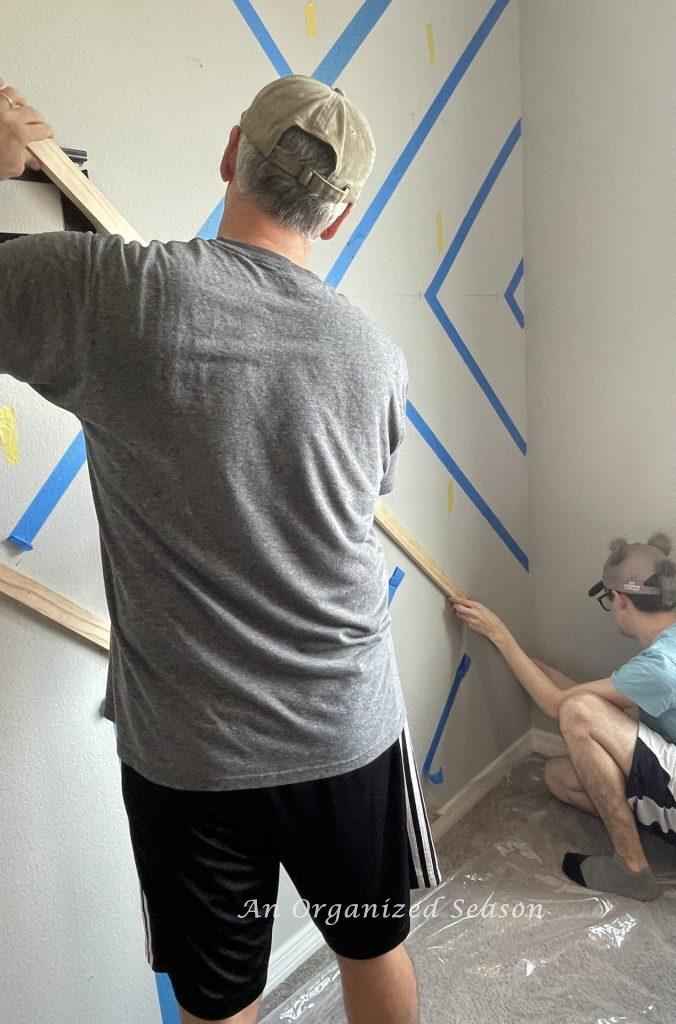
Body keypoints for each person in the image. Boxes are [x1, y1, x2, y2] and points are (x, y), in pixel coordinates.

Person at [0, 75, 441, 1024]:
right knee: (373, 945)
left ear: (232, 154)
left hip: (192, 758)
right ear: (339, 218)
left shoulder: (121, 295)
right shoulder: (374, 355)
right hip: (346, 729)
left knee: (217, 1000)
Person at [452, 533, 676, 902]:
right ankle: (675, 831)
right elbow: (600, 701)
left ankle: (631, 867)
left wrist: (499, 635)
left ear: (617, 598)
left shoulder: (664, 665)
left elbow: (563, 706)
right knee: (560, 777)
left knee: (577, 712)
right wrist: (528, 661)